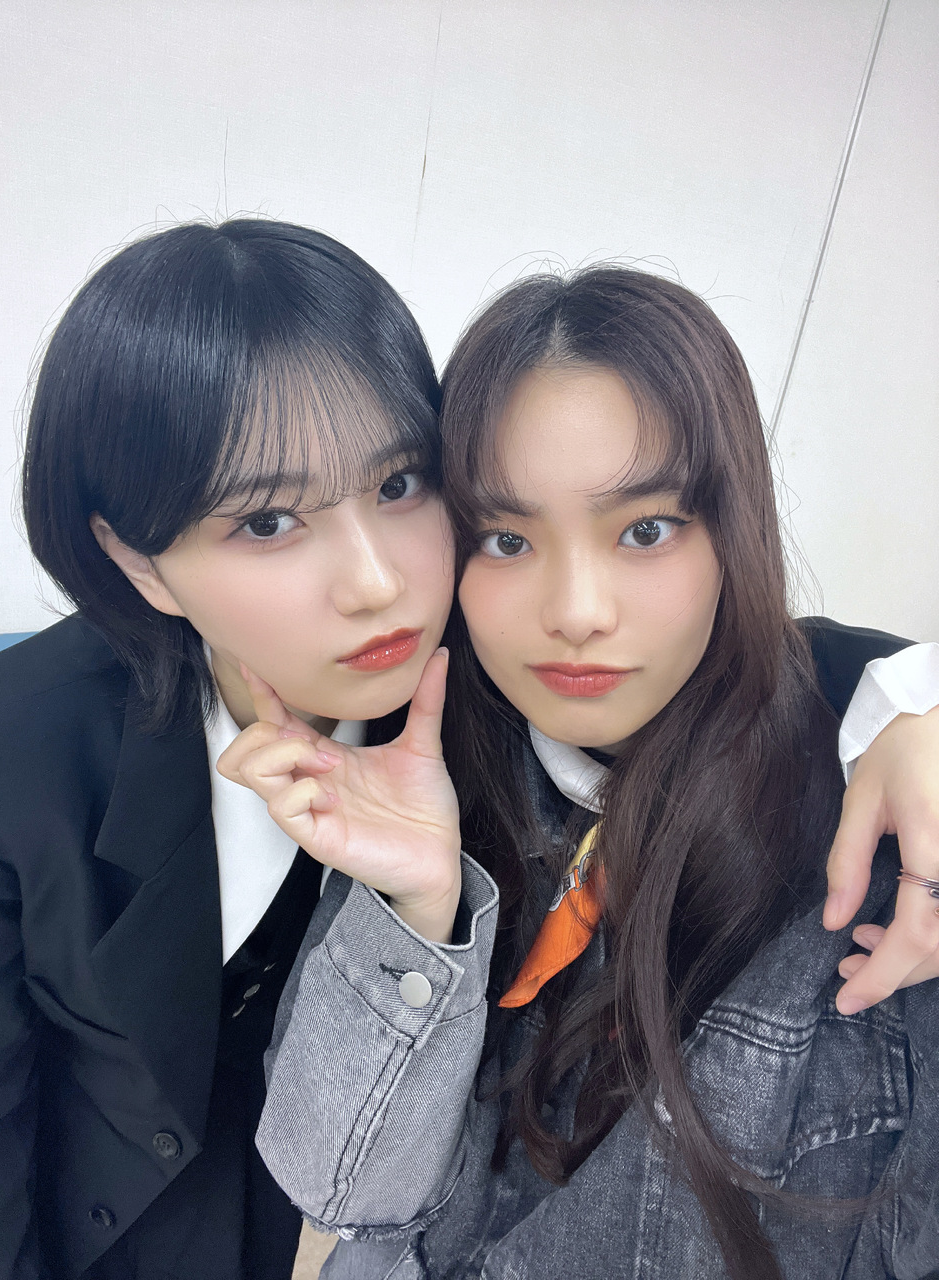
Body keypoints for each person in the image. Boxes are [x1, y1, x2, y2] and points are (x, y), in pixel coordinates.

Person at [224, 266, 939, 1279]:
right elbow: (337, 1195)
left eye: (644, 530)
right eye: (506, 539)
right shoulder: (436, 771)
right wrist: (420, 911)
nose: (574, 611)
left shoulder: (879, 851)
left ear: (733, 529)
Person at [0, 218, 455, 1280]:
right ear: (138, 561)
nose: (379, 581)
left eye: (399, 483)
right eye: (269, 522)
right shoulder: (11, 755)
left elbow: (741, 663)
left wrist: (863, 719)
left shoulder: (489, 671)